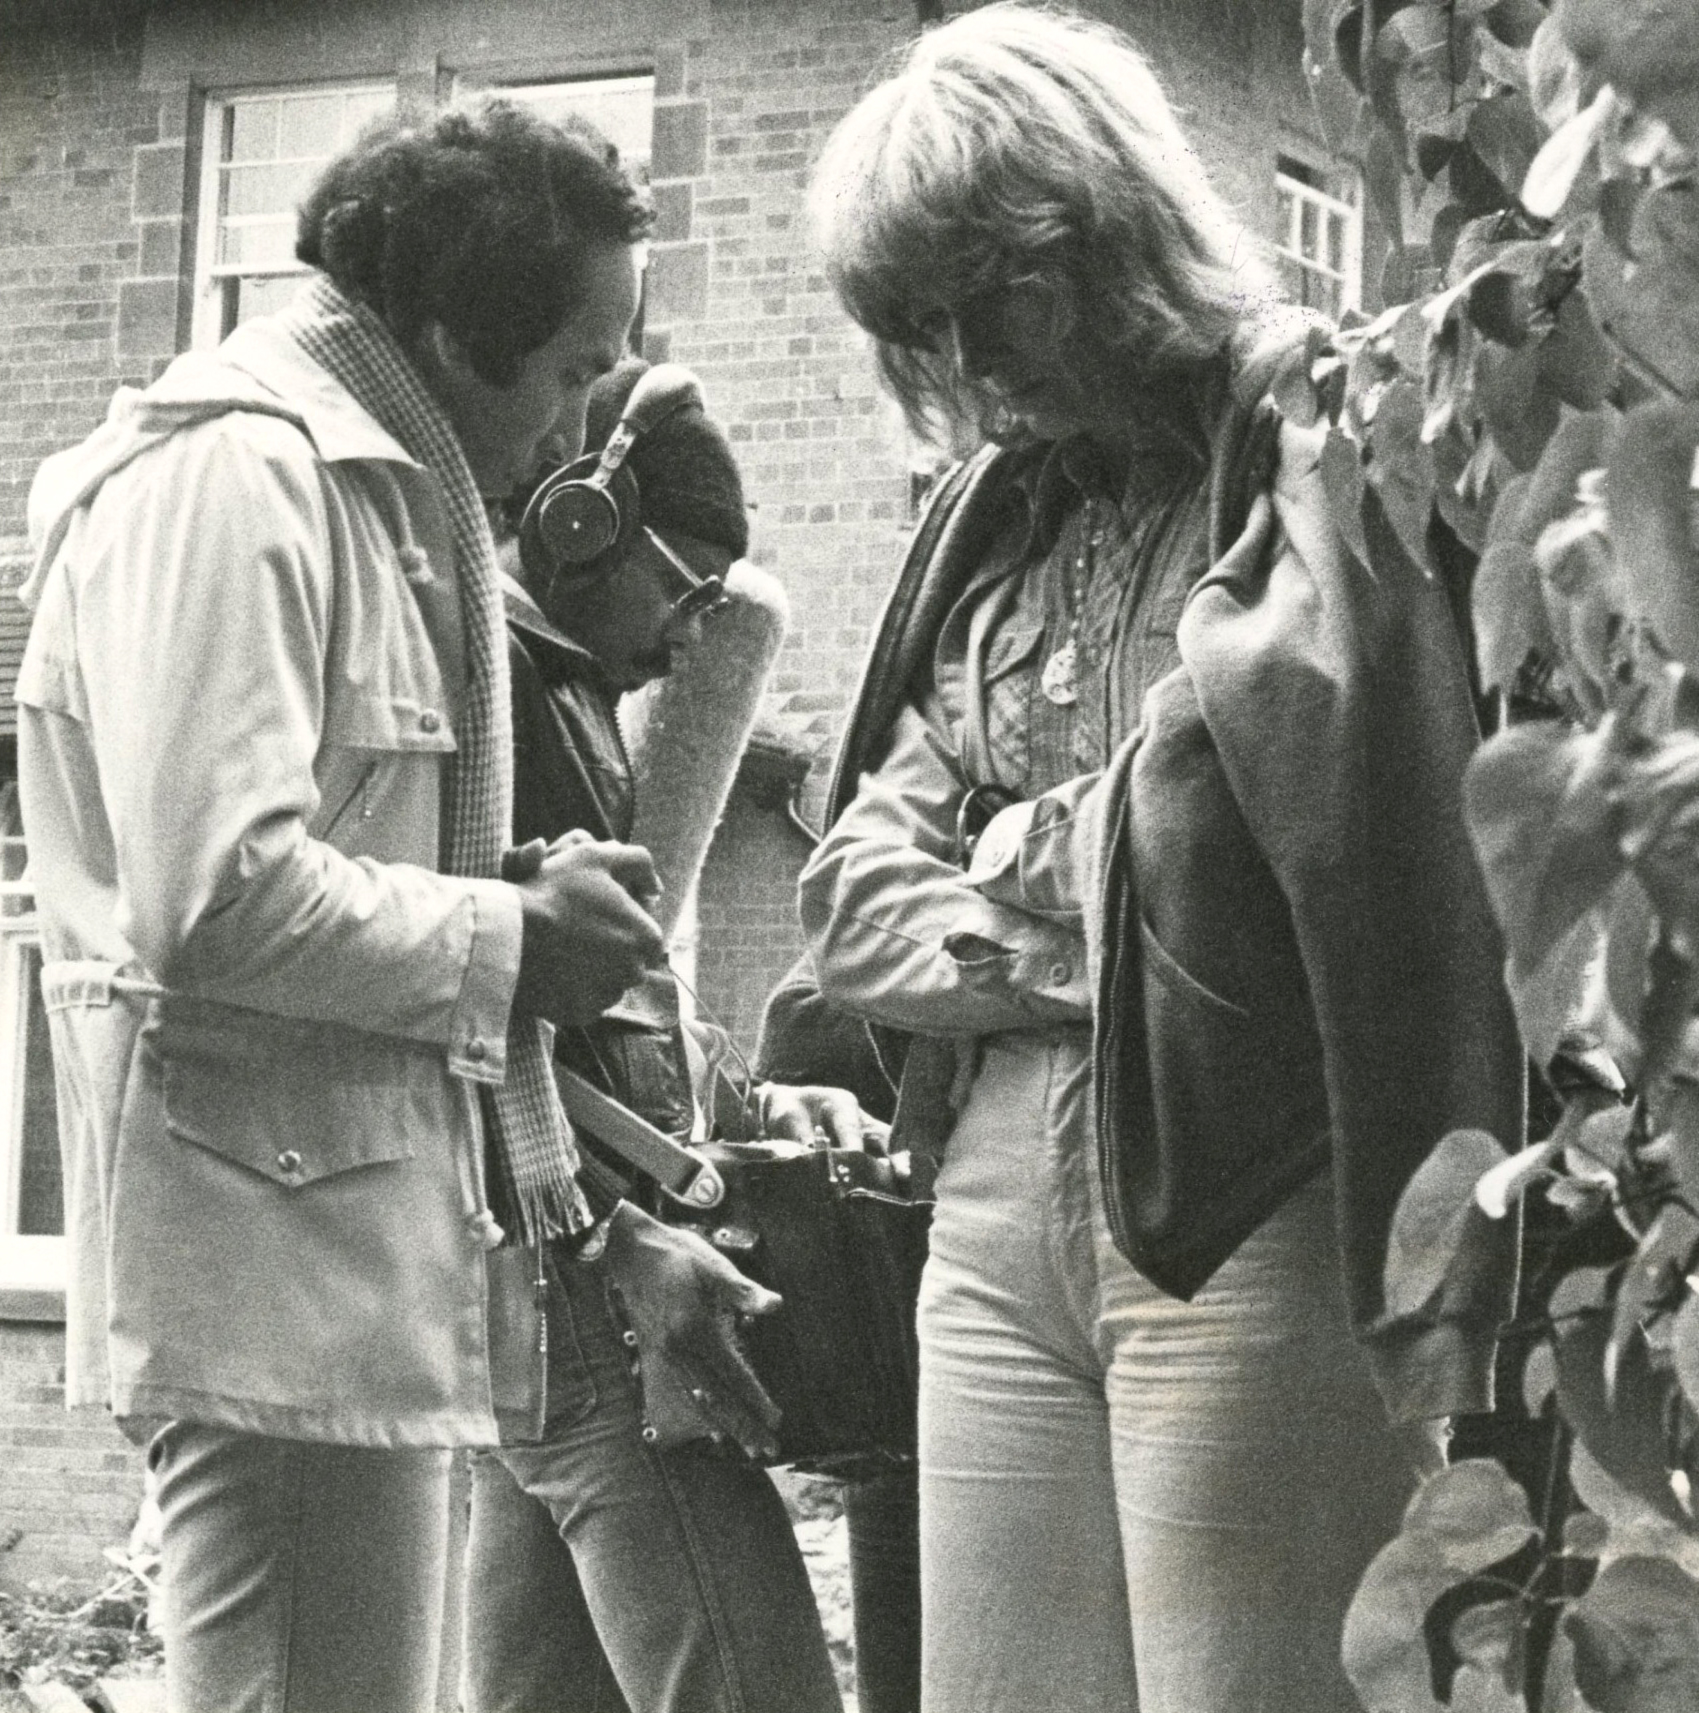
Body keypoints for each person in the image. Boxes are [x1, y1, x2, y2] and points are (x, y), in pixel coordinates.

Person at [797, 9, 1524, 1712]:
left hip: (1245, 1176)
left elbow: (1298, 814)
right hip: (989, 1201)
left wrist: (1014, 849)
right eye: (922, 327)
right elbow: (849, 896)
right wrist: (1093, 912)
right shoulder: (999, 515)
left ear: (1099, 233)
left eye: (992, 302)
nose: (970, 364)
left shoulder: (1315, 435)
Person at [16, 101, 678, 1713]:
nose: (580, 429)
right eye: (575, 370)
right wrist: (515, 941)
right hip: (275, 1272)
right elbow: (211, 895)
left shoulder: (370, 487)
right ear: (453, 334)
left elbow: (295, 853)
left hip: (340, 1252)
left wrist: (500, 895)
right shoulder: (237, 481)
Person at [462, 355, 854, 1713]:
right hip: (592, 1292)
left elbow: (615, 1015)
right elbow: (460, 1025)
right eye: (685, 591)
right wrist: (615, 1241)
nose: (694, 638)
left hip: (539, 1294)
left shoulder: (560, 687)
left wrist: (749, 1106)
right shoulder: (496, 692)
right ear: (579, 522)